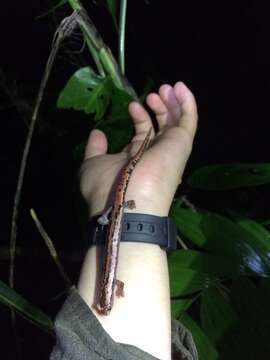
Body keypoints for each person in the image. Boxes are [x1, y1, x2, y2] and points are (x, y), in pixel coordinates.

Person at [50, 81, 198, 360]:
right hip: (117, 218)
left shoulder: (109, 287)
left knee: (120, 201)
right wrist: (142, 201)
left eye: (104, 305)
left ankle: (124, 198)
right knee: (121, 199)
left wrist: (129, 203)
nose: (104, 306)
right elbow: (115, 285)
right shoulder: (110, 286)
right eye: (105, 305)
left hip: (116, 216)